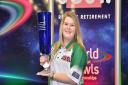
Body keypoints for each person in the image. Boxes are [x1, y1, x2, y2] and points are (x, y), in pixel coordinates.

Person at [37, 11, 88, 85]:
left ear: (76, 29)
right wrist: (44, 62)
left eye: (72, 25)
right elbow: (48, 67)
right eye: (66, 24)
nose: (68, 27)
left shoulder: (78, 50)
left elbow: (73, 79)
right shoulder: (54, 46)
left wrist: (52, 75)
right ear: (62, 26)